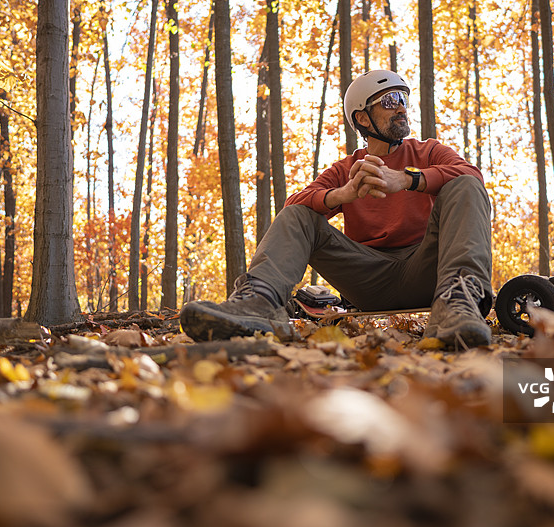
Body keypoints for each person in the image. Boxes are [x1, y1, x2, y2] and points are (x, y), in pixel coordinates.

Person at [181, 69, 492, 349]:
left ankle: (458, 307)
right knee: (300, 214)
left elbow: (472, 177)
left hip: (429, 270)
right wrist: (342, 194)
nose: (400, 107)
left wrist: (407, 179)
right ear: (363, 119)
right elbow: (294, 207)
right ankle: (259, 303)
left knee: (464, 183)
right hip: (368, 279)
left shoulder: (428, 151)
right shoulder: (346, 169)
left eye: (402, 99)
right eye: (389, 101)